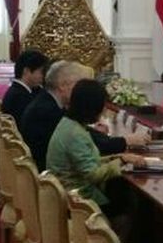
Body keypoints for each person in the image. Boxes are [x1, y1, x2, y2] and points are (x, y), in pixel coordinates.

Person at [20, 60, 149, 171]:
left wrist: (97, 132)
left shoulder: (48, 102)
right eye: (81, 84)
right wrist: (126, 141)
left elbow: (82, 132)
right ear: (63, 85)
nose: (84, 89)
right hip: (54, 181)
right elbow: (84, 143)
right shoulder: (45, 111)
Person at [46, 79, 145, 218]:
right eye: (102, 106)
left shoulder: (68, 124)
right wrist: (122, 160)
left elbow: (91, 161)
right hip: (80, 203)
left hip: (70, 195)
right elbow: (93, 175)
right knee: (131, 203)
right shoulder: (75, 134)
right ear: (92, 107)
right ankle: (113, 238)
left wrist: (119, 157)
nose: (104, 111)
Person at [2, 49, 49, 126]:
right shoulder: (20, 97)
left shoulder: (17, 91)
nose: (43, 76)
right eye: (41, 72)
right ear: (26, 71)